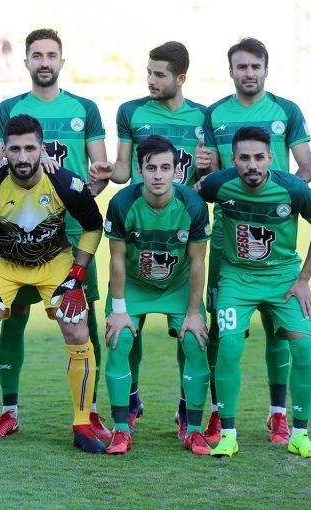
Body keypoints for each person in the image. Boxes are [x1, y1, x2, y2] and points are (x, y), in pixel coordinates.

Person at [0, 28, 110, 441]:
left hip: (72, 232)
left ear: (61, 61)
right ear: (26, 62)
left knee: (82, 318)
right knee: (12, 317)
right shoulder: (9, 108)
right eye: (36, 55)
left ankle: (90, 412)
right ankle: (9, 411)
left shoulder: (85, 108)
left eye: (51, 55)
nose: (44, 62)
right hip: (19, 231)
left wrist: (80, 192)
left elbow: (100, 170)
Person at [0, 114, 105, 454]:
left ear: (42, 149)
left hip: (54, 262)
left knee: (77, 329)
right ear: (3, 151)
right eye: (15, 149)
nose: (22, 157)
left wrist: (76, 276)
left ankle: (82, 425)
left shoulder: (65, 182)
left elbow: (94, 227)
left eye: (30, 149)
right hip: (2, 263)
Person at [197, 37, 311, 445]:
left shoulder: (287, 111)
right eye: (241, 67)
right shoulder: (215, 113)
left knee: (279, 329)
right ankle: (219, 414)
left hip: (275, 239)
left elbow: (306, 167)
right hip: (227, 239)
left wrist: (279, 198)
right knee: (223, 330)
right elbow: (210, 178)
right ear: (230, 71)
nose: (248, 73)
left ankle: (278, 414)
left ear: (266, 69)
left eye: (255, 66)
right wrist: (204, 170)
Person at [92, 41, 210, 440]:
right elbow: (124, 172)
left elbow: (211, 174)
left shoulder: (204, 117)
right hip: (143, 229)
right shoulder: (132, 112)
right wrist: (108, 171)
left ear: (181, 78)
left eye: (160, 75)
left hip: (182, 229)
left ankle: (187, 410)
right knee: (126, 332)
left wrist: (208, 168)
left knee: (191, 337)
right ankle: (130, 404)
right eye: (149, 73)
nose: (151, 81)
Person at [198, 126, 311, 458]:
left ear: (271, 158)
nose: (252, 165)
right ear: (233, 159)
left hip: (283, 278)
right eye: (244, 158)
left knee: (303, 348)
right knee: (228, 345)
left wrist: (303, 279)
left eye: (259, 157)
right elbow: (188, 200)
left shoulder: (293, 189)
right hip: (236, 277)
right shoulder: (218, 184)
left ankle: (299, 435)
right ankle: (228, 435)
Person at [103, 135, 211, 455]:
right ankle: (121, 428)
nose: (159, 175)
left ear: (177, 171)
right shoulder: (122, 203)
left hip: (177, 285)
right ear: (139, 171)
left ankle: (192, 427)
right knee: (119, 338)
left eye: (166, 168)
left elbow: (197, 262)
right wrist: (119, 310)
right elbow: (117, 259)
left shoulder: (193, 205)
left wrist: (194, 313)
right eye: (151, 168)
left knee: (195, 341)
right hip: (134, 284)